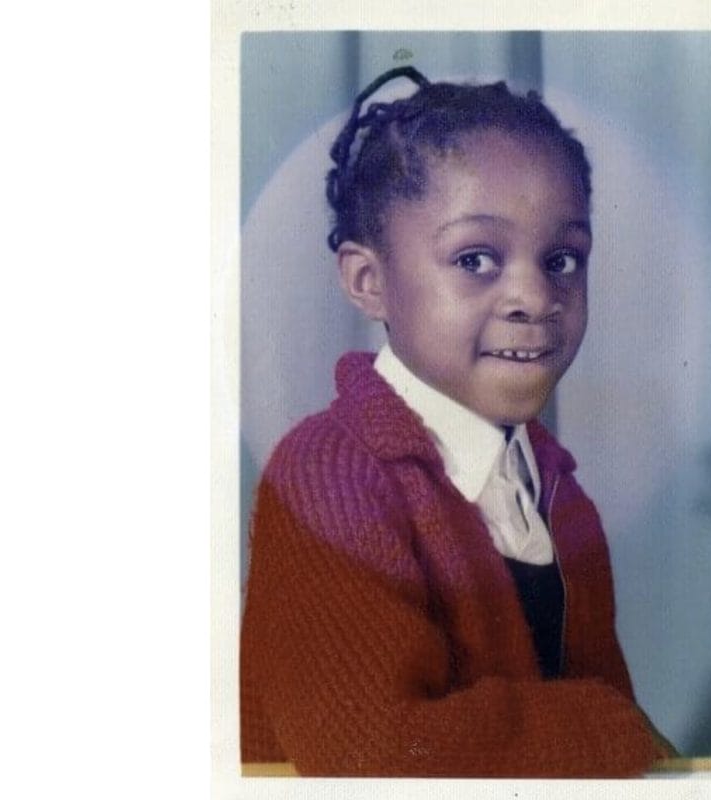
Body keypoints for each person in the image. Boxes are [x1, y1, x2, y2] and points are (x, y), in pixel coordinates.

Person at [240, 66, 672, 777]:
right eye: (476, 259)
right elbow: (372, 753)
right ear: (367, 282)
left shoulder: (560, 496)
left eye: (563, 258)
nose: (535, 297)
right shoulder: (328, 474)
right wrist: (613, 730)